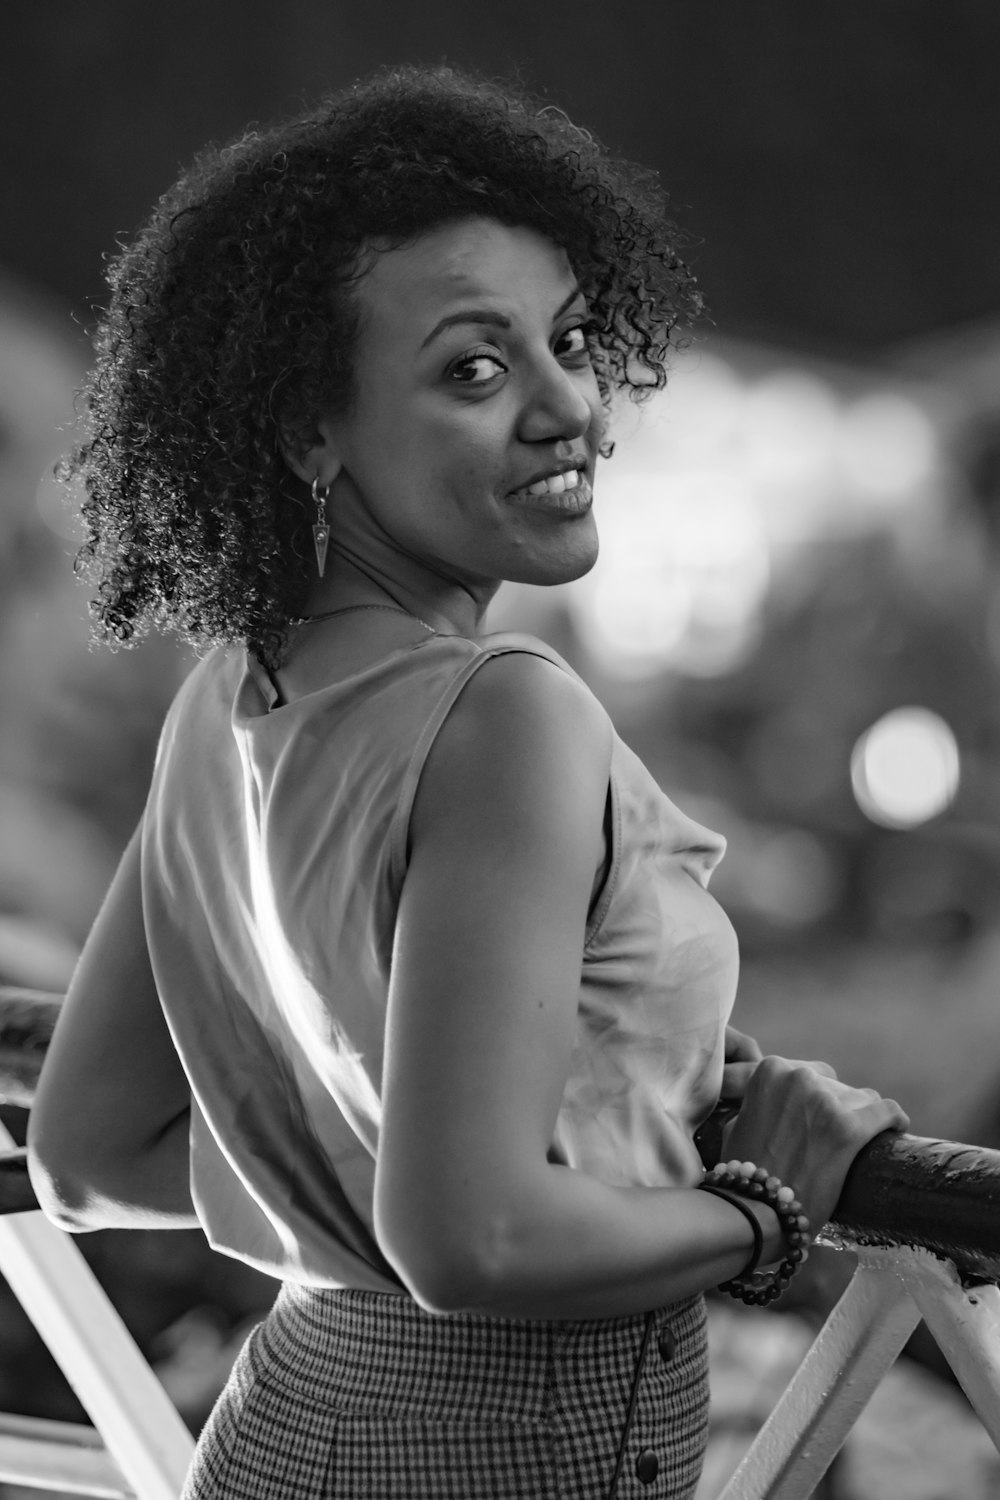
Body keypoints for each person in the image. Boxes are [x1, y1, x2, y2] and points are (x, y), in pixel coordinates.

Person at [27, 66, 908, 1500]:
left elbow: (87, 1149)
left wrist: (424, 1154)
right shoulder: (504, 717)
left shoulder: (229, 700)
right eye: (474, 371)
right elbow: (473, 1239)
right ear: (304, 429)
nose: (571, 409)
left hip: (283, 1422)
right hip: (501, 1446)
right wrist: (750, 1214)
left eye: (567, 341)